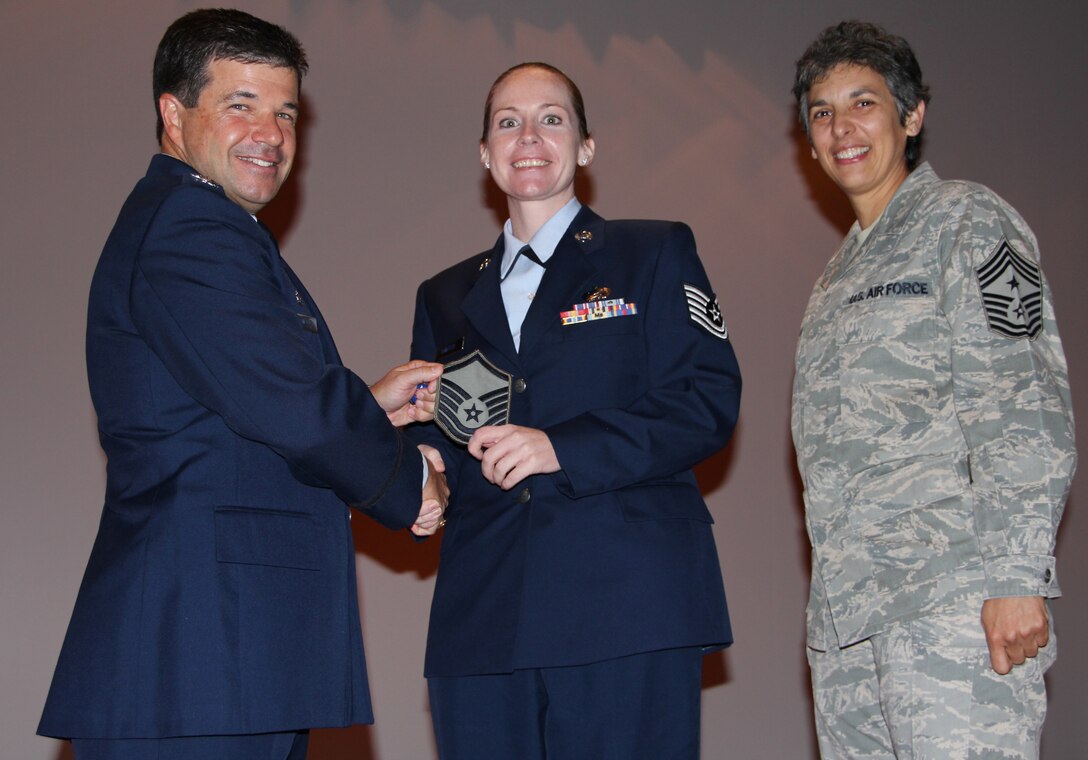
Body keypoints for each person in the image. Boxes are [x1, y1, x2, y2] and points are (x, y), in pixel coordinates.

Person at [37, 9, 447, 759]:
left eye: (285, 112)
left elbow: (244, 397)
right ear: (173, 112)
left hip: (225, 657)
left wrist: (365, 404)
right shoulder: (191, 226)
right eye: (240, 105)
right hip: (203, 652)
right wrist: (409, 477)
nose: (271, 133)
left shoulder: (195, 222)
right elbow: (295, 408)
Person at [407, 62, 741, 759]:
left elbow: (705, 399)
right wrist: (423, 473)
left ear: (586, 146)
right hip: (484, 615)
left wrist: (564, 446)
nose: (529, 135)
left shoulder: (651, 252)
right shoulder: (442, 296)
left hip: (626, 603)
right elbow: (442, 434)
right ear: (484, 152)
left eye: (551, 118)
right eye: (508, 121)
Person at [790, 21, 1076, 759]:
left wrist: (1017, 575)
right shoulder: (833, 280)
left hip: (952, 601)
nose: (840, 127)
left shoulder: (967, 221)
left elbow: (1024, 404)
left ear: (911, 117)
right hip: (849, 627)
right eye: (821, 112)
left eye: (863, 103)